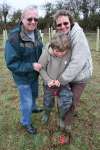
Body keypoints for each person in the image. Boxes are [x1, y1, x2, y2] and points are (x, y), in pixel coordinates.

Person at [5, 6, 43, 135]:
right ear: (22, 19)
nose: (33, 22)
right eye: (30, 19)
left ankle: (33, 108)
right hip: (22, 77)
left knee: (33, 95)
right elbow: (11, 63)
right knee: (26, 101)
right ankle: (26, 122)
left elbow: (40, 50)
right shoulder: (14, 38)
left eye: (36, 19)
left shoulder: (37, 33)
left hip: (34, 75)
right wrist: (31, 66)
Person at [53, 9, 93, 125]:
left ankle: (65, 128)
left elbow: (77, 63)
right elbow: (53, 47)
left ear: (70, 22)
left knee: (71, 103)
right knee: (63, 98)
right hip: (68, 75)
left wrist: (60, 81)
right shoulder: (60, 34)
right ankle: (63, 116)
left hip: (81, 76)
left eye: (65, 23)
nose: (63, 26)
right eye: (59, 24)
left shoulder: (77, 36)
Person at [35, 32, 73, 132]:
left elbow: (72, 68)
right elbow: (40, 68)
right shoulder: (46, 52)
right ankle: (46, 113)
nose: (60, 54)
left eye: (63, 52)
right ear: (52, 47)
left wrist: (63, 80)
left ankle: (61, 117)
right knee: (48, 102)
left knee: (66, 101)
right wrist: (48, 80)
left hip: (63, 83)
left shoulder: (69, 52)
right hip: (49, 84)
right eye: (57, 51)